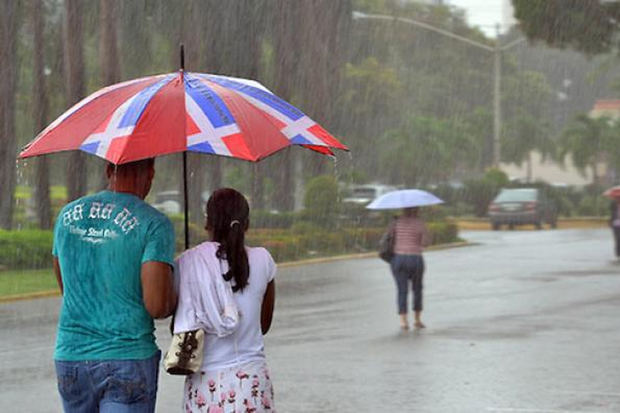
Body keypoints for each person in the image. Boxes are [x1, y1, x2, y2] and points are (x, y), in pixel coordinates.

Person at [52, 158, 176, 413]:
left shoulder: (67, 217)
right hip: (127, 356)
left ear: (109, 170)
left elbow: (67, 287)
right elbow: (157, 306)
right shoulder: (154, 224)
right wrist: (174, 290)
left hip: (71, 357)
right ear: (151, 173)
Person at [175, 188, 276, 412]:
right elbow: (264, 324)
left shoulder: (189, 263)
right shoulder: (263, 259)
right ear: (246, 224)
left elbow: (180, 325)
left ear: (207, 223)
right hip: (251, 384)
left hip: (204, 382)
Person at [388, 206, 430, 330]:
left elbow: (389, 238)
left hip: (398, 259)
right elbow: (425, 243)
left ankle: (403, 321)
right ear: (417, 209)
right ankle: (417, 320)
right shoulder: (420, 223)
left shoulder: (395, 222)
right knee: (417, 289)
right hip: (415, 259)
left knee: (402, 290)